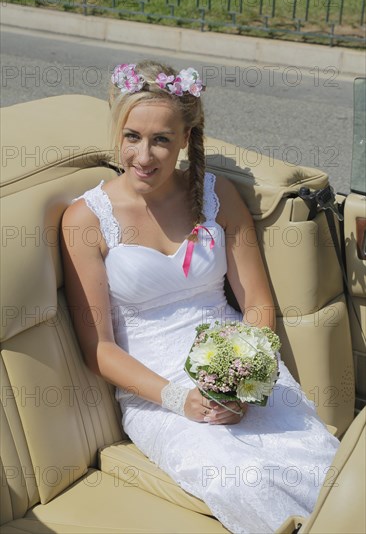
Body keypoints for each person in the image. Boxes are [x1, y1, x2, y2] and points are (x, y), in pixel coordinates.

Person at [61, 60, 339, 534]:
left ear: (186, 138)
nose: (144, 156)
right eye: (132, 136)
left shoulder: (219, 196)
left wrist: (242, 381)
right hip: (155, 388)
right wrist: (180, 399)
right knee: (240, 481)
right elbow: (99, 349)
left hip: (238, 360)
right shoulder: (86, 220)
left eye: (161, 139)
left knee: (319, 462)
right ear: (117, 132)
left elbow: (257, 303)